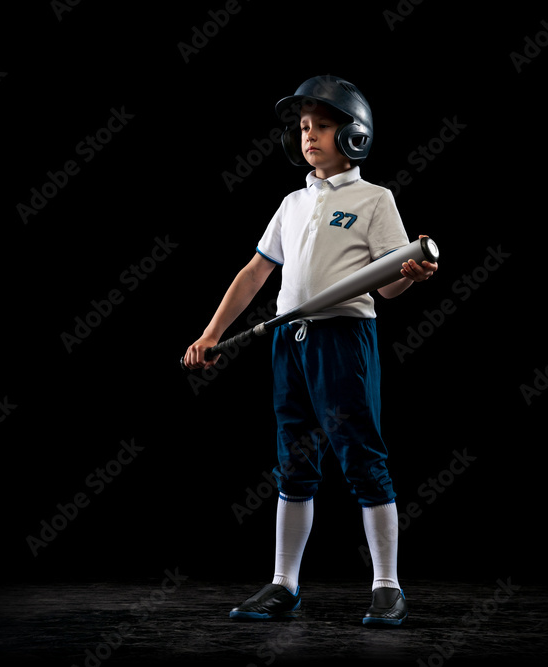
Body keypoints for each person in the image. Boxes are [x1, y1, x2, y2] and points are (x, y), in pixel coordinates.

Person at [183, 75, 437, 626]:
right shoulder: (292, 202)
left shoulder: (375, 199)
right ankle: (284, 584)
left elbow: (388, 286)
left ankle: (388, 587)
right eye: (303, 127)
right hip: (288, 340)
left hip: (343, 339)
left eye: (322, 125)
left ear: (354, 136)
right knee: (293, 461)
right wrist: (211, 332)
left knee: (361, 457)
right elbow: (257, 271)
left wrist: (409, 275)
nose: (309, 136)